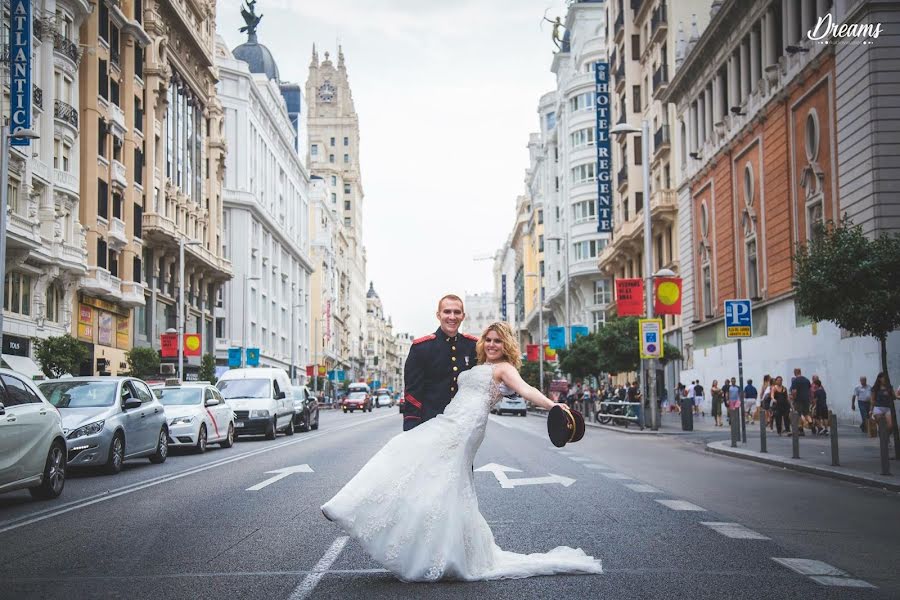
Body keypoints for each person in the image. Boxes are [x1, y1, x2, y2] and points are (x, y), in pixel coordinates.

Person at [321, 322, 603, 581]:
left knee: (406, 454)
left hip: (464, 428)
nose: (492, 345)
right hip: (451, 420)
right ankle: (437, 550)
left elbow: (527, 390)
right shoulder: (480, 363)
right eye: (489, 340)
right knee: (437, 483)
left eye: (498, 341)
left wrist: (554, 406)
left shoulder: (504, 368)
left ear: (506, 345)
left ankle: (348, 507)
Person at [402, 295, 478, 431]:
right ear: (438, 315)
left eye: (457, 312)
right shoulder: (421, 348)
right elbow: (412, 393)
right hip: (430, 425)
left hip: (462, 425)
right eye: (447, 312)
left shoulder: (472, 346)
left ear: (463, 316)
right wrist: (411, 429)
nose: (452, 317)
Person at [789, 368, 812, 436]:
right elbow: (810, 390)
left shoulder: (795, 380)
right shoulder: (807, 380)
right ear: (800, 372)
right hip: (806, 399)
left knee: (798, 414)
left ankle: (800, 429)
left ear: (795, 373)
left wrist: (793, 397)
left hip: (798, 400)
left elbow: (794, 391)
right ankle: (811, 423)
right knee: (806, 413)